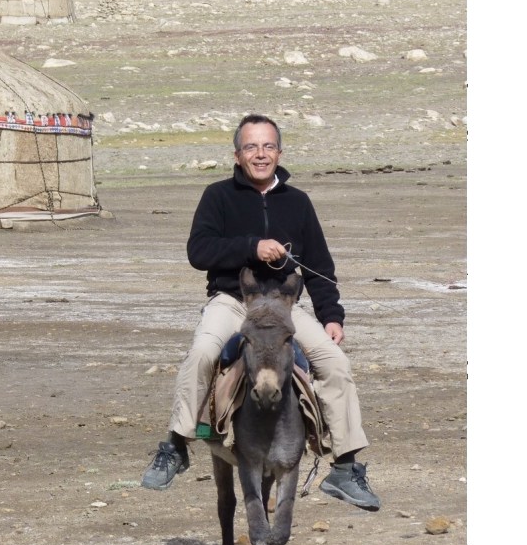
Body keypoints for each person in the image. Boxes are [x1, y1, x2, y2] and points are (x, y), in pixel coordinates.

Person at [140, 113, 381, 511]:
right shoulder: (218, 196)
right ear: (237, 155)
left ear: (279, 153)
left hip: (284, 306)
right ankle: (176, 445)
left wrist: (331, 316)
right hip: (233, 302)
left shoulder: (298, 202)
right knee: (202, 353)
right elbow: (199, 251)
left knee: (335, 363)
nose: (260, 154)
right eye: (251, 147)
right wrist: (252, 247)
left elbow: (319, 266)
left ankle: (344, 466)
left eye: (268, 146)